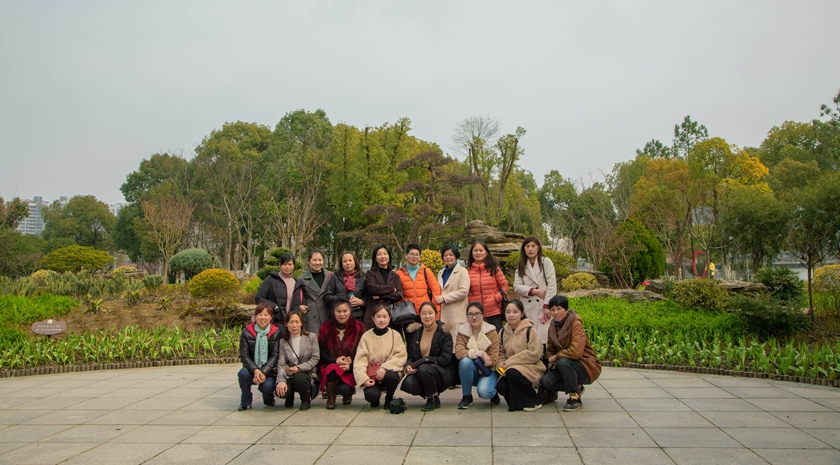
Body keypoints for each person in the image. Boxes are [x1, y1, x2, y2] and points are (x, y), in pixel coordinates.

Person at [540, 295, 601, 412]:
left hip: (585, 365)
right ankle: (577, 387)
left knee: (564, 361)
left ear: (566, 309)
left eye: (559, 309)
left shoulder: (575, 323)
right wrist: (551, 359)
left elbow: (576, 352)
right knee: (547, 382)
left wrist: (556, 357)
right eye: (552, 310)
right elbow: (550, 348)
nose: (556, 313)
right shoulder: (553, 325)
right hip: (565, 365)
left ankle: (574, 398)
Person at [401, 302, 454, 411]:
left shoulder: (444, 331)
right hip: (421, 369)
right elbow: (411, 355)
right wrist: (408, 366)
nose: (427, 316)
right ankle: (429, 389)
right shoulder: (416, 332)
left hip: (441, 370)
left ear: (436, 314)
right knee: (409, 384)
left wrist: (426, 361)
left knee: (423, 368)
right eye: (424, 313)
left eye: (430, 313)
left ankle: (433, 398)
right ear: (419, 315)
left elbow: (445, 359)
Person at [353, 304, 407, 410]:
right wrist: (364, 379)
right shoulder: (366, 336)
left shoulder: (395, 335)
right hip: (372, 375)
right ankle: (375, 397)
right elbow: (360, 361)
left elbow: (401, 356)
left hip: (388, 373)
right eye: (378, 317)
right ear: (373, 318)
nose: (381, 320)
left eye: (384, 316)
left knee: (392, 376)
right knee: (371, 396)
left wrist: (384, 367)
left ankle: (389, 397)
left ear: (389, 318)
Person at [496, 299, 546, 412]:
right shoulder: (502, 332)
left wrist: (509, 363)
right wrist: (501, 365)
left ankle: (534, 401)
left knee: (512, 372)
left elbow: (534, 353)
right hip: (509, 368)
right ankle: (518, 403)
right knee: (501, 386)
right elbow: (500, 354)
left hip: (531, 366)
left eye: (515, 312)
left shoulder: (530, 330)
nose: (511, 315)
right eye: (508, 312)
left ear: (522, 313)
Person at [318, 299, 365, 409]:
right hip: (331, 364)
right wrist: (335, 361)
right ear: (333, 311)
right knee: (332, 369)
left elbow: (363, 352)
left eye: (345, 311)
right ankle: (331, 396)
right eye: (338, 311)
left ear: (350, 311)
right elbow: (321, 352)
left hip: (350, 366)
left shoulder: (359, 327)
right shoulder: (325, 327)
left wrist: (350, 366)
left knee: (345, 390)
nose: (342, 314)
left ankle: (347, 394)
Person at [454, 301, 501, 408]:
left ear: (483, 315)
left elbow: (493, 359)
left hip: (488, 370)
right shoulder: (463, 331)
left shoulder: (491, 331)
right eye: (470, 314)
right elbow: (459, 353)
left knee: (485, 392)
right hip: (472, 369)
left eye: (477, 314)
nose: (474, 317)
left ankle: (494, 390)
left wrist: (475, 354)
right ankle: (467, 396)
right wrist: (480, 353)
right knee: (464, 362)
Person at [237, 303, 282, 411]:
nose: (263, 318)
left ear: (271, 317)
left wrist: (263, 372)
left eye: (266, 315)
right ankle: (246, 401)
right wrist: (255, 370)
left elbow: (275, 356)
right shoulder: (247, 332)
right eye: (260, 314)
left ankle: (268, 397)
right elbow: (244, 355)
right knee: (243, 374)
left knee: (267, 387)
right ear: (255, 316)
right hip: (251, 369)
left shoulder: (276, 332)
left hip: (269, 371)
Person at [512, 236, 557, 343]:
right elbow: (517, 286)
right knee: (528, 339)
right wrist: (534, 291)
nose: (530, 249)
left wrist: (547, 306)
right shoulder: (521, 266)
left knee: (543, 339)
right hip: (527, 308)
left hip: (543, 305)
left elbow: (552, 285)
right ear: (524, 249)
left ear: (538, 248)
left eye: (533, 246)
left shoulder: (546, 262)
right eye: (527, 246)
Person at [276, 312, 320, 410]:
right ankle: (289, 395)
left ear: (301, 323)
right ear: (286, 324)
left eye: (297, 322)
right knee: (281, 389)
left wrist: (298, 368)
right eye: (291, 322)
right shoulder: (283, 341)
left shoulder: (311, 337)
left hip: (306, 373)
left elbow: (315, 358)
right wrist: (281, 381)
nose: (294, 325)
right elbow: (281, 363)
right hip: (289, 374)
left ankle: (305, 399)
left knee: (299, 378)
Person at [467, 241, 509, 331]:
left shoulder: (494, 269)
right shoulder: (467, 271)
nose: (478, 253)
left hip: (494, 311)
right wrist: (471, 300)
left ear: (486, 253)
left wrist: (496, 298)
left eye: (481, 250)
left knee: (495, 336)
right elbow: (465, 290)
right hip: (476, 313)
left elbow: (504, 286)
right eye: (475, 250)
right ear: (472, 253)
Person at [292, 250, 333, 335]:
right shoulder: (301, 279)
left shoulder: (331, 276)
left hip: (328, 314)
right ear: (308, 262)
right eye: (314, 260)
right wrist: (299, 306)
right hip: (311, 317)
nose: (317, 263)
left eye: (320, 260)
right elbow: (296, 297)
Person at [436, 244, 470, 345]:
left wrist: (444, 298)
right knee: (445, 343)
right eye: (445, 255)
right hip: (443, 313)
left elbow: (463, 291)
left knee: (457, 343)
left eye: (451, 255)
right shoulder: (441, 272)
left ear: (456, 256)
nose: (448, 257)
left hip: (456, 312)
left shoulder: (462, 271)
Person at [397, 243, 442, 321]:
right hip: (407, 313)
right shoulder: (399, 274)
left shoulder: (426, 272)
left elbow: (436, 292)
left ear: (420, 256)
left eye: (416, 255)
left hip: (424, 313)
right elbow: (397, 295)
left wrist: (435, 313)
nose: (414, 257)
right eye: (411, 254)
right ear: (406, 255)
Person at [363, 244, 403, 330]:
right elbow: (373, 289)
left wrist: (380, 296)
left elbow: (399, 295)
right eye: (379, 254)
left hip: (391, 314)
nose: (382, 256)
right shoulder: (370, 273)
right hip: (374, 312)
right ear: (375, 258)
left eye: (385, 254)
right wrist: (391, 289)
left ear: (389, 256)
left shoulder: (395, 275)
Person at [324, 251, 367, 321]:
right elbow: (327, 297)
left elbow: (366, 299)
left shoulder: (362, 279)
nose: (348, 263)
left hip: (356, 317)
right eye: (344, 261)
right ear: (341, 264)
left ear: (355, 262)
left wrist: (361, 302)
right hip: (338, 318)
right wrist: (344, 299)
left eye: (350, 260)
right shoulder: (335, 278)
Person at [256, 253, 296, 326]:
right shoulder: (270, 280)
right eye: (284, 264)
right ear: (279, 265)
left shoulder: (296, 282)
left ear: (293, 266)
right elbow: (259, 298)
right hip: (275, 321)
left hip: (291, 323)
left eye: (290, 264)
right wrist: (274, 306)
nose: (287, 267)